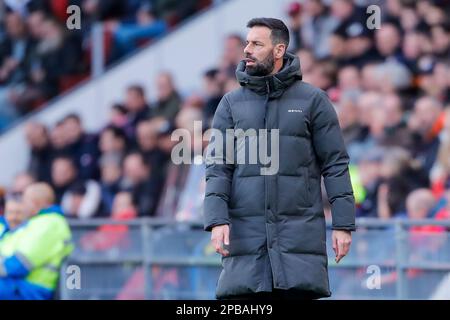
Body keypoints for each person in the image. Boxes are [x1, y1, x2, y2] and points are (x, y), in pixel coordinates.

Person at [204, 18, 355, 300]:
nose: (246, 49)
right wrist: (216, 220)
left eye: (256, 44)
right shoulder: (230, 104)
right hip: (247, 246)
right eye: (247, 42)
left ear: (278, 50)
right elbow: (218, 168)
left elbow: (335, 165)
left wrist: (343, 225)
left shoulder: (314, 101)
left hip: (299, 245)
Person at [0, 183, 73, 300]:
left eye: (25, 201)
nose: (23, 206)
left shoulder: (49, 224)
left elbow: (19, 264)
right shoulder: (38, 222)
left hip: (30, 288)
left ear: (36, 203)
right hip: (17, 284)